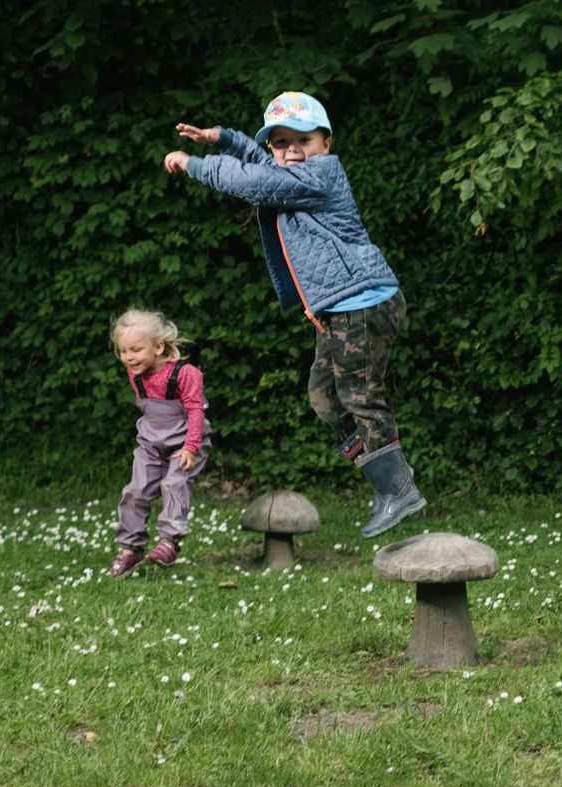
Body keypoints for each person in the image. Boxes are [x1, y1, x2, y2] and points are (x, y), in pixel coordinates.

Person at [162, 91, 423, 538]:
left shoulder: (320, 175)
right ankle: (387, 479)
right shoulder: (290, 173)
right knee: (324, 399)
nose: (293, 150)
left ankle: (398, 489)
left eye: (304, 139)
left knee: (359, 395)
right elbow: (262, 164)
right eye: (281, 142)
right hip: (339, 311)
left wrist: (194, 164)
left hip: (362, 302)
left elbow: (253, 181)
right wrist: (223, 138)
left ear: (326, 143)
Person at [108, 309, 212, 578]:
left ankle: (169, 541)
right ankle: (131, 548)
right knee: (135, 491)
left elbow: (196, 411)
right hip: (151, 442)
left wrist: (190, 447)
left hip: (187, 441)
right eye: (123, 351)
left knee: (174, 483)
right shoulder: (135, 373)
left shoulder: (186, 374)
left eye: (136, 350)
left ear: (158, 347)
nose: (129, 357)